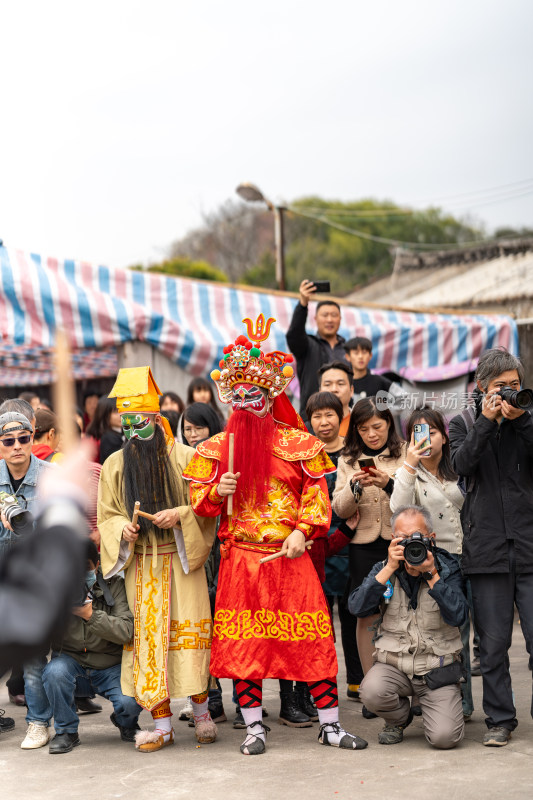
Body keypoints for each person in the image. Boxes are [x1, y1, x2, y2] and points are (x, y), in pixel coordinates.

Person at [184, 315, 368, 755]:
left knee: (312, 641)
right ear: (233, 401)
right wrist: (217, 491)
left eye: (258, 396)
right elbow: (200, 505)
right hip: (242, 563)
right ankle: (254, 728)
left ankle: (329, 725)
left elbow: (316, 495)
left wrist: (303, 531)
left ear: (271, 398)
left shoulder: (299, 444)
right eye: (241, 396)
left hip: (290, 558)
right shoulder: (215, 451)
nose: (249, 403)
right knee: (247, 649)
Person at [98, 366, 217, 753]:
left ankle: (202, 715)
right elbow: (108, 514)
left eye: (141, 426)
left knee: (191, 643)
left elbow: (205, 508)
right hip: (141, 566)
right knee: (150, 646)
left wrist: (180, 515)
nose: (133, 436)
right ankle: (162, 725)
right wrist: (122, 531)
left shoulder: (186, 458)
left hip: (181, 563)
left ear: (157, 420)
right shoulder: (115, 464)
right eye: (126, 427)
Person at [448, 347, 533, 747]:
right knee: (494, 645)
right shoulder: (462, 423)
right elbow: (461, 465)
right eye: (502, 387)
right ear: (482, 388)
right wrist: (487, 420)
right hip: (486, 550)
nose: (511, 393)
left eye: (516, 385)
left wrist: (522, 423)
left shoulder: (529, 419)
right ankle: (500, 719)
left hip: (530, 546)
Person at [349, 505, 467, 750]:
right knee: (371, 692)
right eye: (403, 538)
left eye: (418, 538)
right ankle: (399, 719)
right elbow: (357, 608)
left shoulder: (446, 567)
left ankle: (442, 703)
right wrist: (389, 568)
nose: (412, 544)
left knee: (445, 739)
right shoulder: (385, 568)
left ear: (431, 539)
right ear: (393, 539)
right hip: (395, 666)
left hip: (436, 670)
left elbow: (459, 616)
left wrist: (431, 574)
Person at [390, 407, 473, 720]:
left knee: (484, 635)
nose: (425, 438)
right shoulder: (410, 474)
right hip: (440, 563)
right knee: (454, 634)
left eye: (431, 432)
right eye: (417, 433)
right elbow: (397, 509)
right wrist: (409, 464)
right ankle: (460, 703)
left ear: (444, 436)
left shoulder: (460, 467)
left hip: (476, 557)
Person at [332, 397, 407, 685]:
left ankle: (402, 683)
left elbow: (413, 499)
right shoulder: (347, 460)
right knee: (367, 613)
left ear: (389, 423)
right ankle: (371, 684)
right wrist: (354, 488)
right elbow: (339, 509)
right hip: (363, 545)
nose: (371, 434)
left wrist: (387, 482)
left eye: (377, 426)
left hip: (397, 541)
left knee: (400, 611)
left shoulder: (405, 454)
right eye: (364, 429)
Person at [42, 540, 142, 754]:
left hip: (110, 665)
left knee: (130, 702)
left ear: (97, 565)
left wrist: (90, 615)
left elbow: (126, 630)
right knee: (54, 672)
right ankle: (66, 731)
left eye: (85, 568)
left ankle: (126, 721)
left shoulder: (114, 583)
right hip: (72, 662)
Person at [0, 410, 56, 749]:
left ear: (33, 438)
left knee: (34, 658)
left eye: (23, 438)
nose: (17, 446)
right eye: (9, 440)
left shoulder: (53, 477)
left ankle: (38, 723)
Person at [306, 391, 364, 703]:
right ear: (310, 420)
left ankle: (357, 682)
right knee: (321, 624)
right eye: (317, 416)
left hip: (352, 545)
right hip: (317, 550)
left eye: (330, 415)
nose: (324, 421)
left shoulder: (353, 454)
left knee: (355, 616)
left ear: (341, 417)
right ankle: (321, 688)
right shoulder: (304, 455)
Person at [286, 279, 346, 416]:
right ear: (315, 318)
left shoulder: (348, 349)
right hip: (313, 417)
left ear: (340, 319)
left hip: (344, 418)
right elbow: (294, 335)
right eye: (325, 315)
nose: (329, 320)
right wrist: (303, 304)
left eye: (334, 315)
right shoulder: (308, 346)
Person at [318, 361, 354, 436]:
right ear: (320, 391)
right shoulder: (306, 429)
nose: (334, 389)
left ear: (351, 390)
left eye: (340, 384)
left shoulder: (362, 424)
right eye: (328, 384)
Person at [86, 396, 124, 464]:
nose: (120, 414)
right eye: (115, 412)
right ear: (105, 415)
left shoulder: (118, 432)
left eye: (121, 410)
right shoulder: (108, 438)